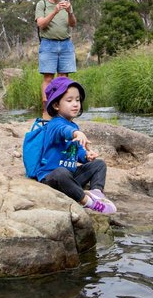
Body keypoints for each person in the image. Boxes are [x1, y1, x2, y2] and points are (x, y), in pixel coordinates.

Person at [34, 76, 117, 214]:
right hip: (52, 178)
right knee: (61, 172)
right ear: (56, 105)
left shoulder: (73, 124)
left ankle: (96, 193)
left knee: (99, 165)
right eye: (69, 100)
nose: (75, 104)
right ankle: (88, 202)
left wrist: (86, 156)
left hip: (71, 177)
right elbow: (63, 131)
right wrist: (76, 133)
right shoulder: (54, 125)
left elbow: (75, 151)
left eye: (77, 100)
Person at [35, 0, 77, 117]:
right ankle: (47, 111)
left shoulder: (67, 5)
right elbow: (41, 24)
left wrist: (70, 11)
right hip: (48, 44)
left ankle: (62, 110)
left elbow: (72, 24)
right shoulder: (42, 5)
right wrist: (55, 11)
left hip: (65, 44)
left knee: (64, 77)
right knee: (48, 78)